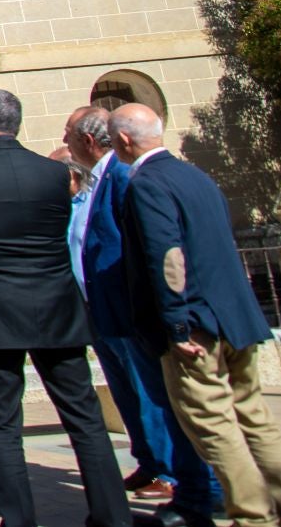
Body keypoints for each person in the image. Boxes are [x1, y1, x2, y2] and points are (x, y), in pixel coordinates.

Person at [0, 90, 131, 527]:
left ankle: (19, 519)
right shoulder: (54, 173)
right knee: (84, 418)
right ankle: (114, 516)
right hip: (56, 307)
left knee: (1, 424)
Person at [111, 102, 281, 527]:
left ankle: (252, 517)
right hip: (236, 318)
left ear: (123, 140)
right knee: (255, 418)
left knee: (215, 428)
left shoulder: (147, 185)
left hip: (196, 328)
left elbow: (167, 256)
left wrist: (175, 326)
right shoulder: (196, 176)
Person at [64, 105, 223, 526]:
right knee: (136, 396)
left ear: (90, 139)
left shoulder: (122, 177)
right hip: (106, 310)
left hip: (131, 310)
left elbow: (146, 248)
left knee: (161, 398)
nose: (64, 141)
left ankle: (192, 485)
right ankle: (160, 466)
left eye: (68, 133)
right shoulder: (99, 179)